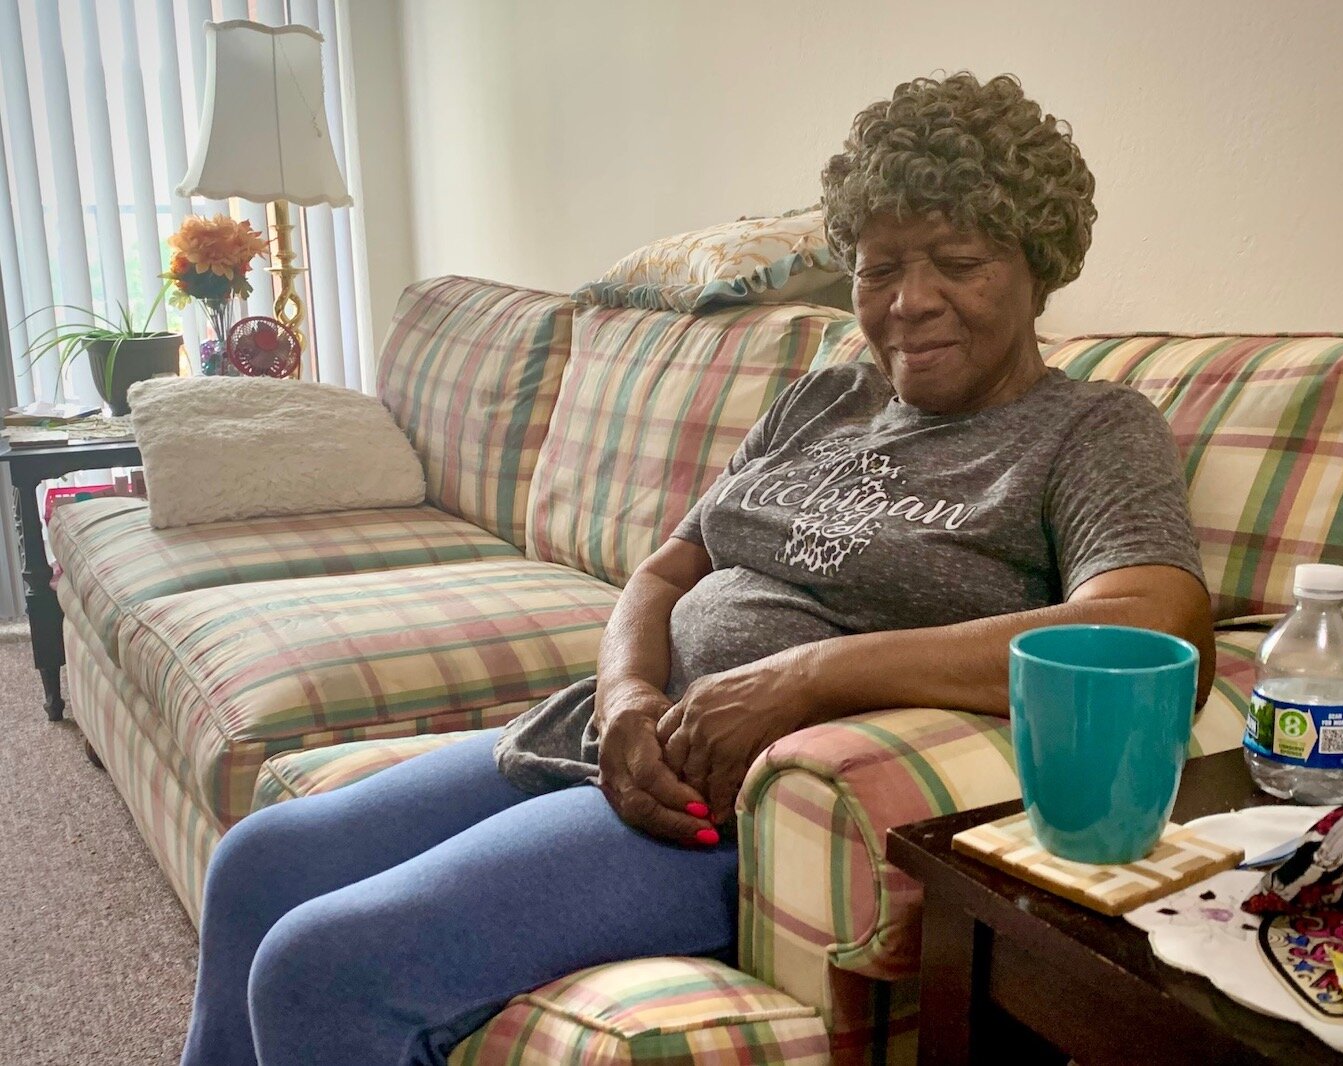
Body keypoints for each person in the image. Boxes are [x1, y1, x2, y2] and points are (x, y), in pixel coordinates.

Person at [180, 72, 1214, 1066]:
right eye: (882, 265)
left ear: (1040, 262)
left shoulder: (1086, 430)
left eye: (958, 260)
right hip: (622, 726)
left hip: (739, 803)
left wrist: (811, 677)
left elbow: (1150, 631)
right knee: (257, 861)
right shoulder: (827, 398)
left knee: (324, 968)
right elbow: (665, 571)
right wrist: (627, 689)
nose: (910, 302)